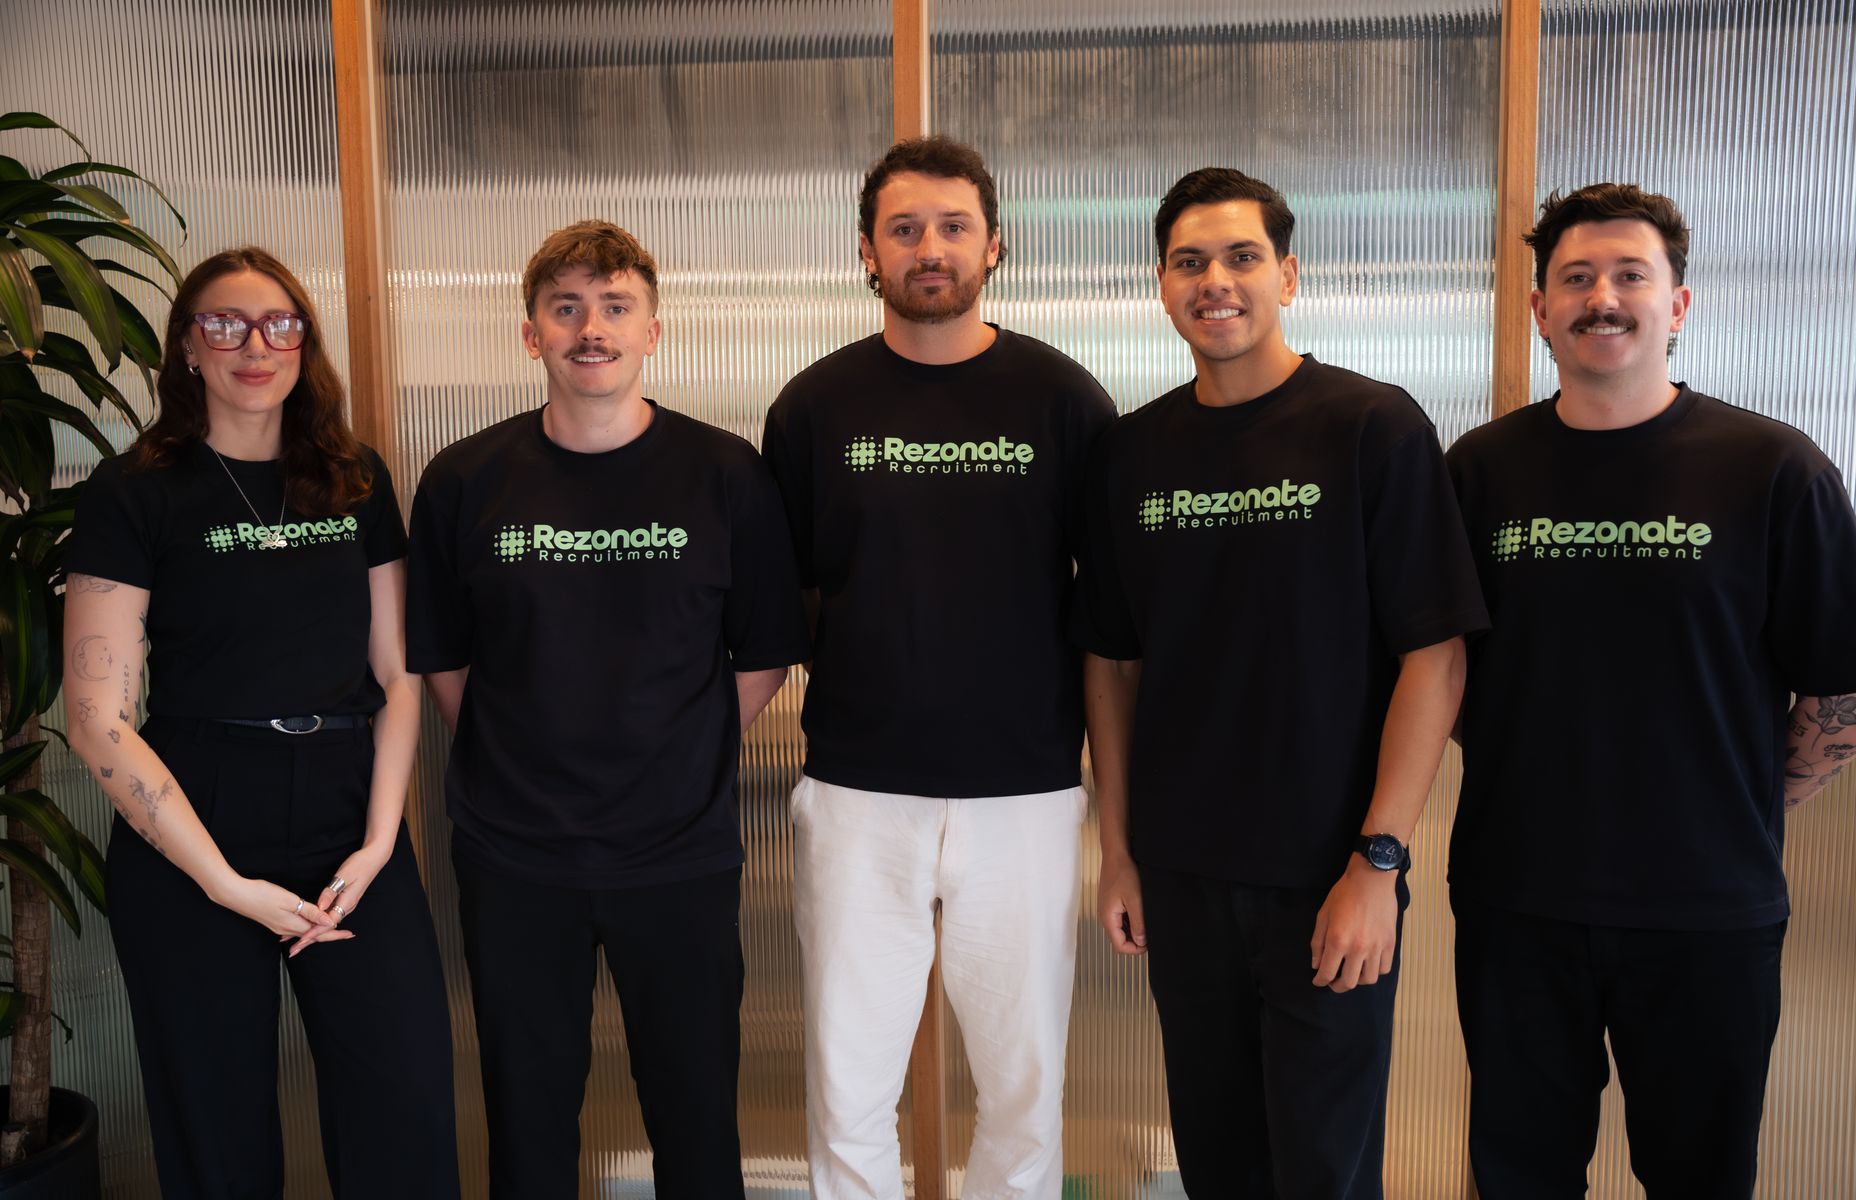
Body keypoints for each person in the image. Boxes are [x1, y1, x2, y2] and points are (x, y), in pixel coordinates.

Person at [1445, 182, 1856, 1199]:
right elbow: (1438, 672)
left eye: (1629, 275)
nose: (1602, 297)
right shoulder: (1480, 471)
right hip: (1518, 902)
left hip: (1707, 913)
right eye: (1575, 278)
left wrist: (1732, 801)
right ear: (1538, 308)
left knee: (1698, 1176)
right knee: (1519, 1172)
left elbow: (1855, 704)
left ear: (1678, 304)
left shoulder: (1772, 469)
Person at [1074, 168, 1486, 1199]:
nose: (1216, 280)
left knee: (1324, 1173)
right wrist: (1119, 853)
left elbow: (1434, 659)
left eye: (1242, 256)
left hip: (1327, 878)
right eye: (1190, 261)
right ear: (1162, 286)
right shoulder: (1132, 452)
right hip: (1182, 877)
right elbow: (1112, 665)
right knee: (1220, 1166)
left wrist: (1378, 863)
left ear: (1288, 275)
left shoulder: (1371, 428)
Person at [406, 219, 809, 1198]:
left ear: (654, 331)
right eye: (568, 307)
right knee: (528, 1113)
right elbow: (444, 660)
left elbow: (764, 653)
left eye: (615, 307)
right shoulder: (464, 481)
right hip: (514, 855)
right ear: (531, 332)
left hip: (679, 853)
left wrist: (678, 752)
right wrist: (521, 755)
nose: (593, 328)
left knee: (698, 1112)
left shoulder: (726, 474)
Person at [760, 136, 1116, 1199]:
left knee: (1022, 1081)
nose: (931, 248)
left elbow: (1105, 602)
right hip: (860, 789)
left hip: (1029, 790)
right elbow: (791, 593)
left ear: (995, 247)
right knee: (848, 1078)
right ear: (866, 253)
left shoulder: (1063, 400)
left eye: (954, 227)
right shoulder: (814, 408)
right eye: (904, 229)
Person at [63, 246, 458, 1198]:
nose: (254, 345)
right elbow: (96, 719)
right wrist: (226, 885)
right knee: (216, 1126)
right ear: (187, 349)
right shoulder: (136, 491)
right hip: (194, 819)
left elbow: (399, 676)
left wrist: (378, 843)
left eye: (279, 323)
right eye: (225, 324)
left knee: (402, 1107)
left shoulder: (354, 477)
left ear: (304, 343)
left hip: (345, 816)